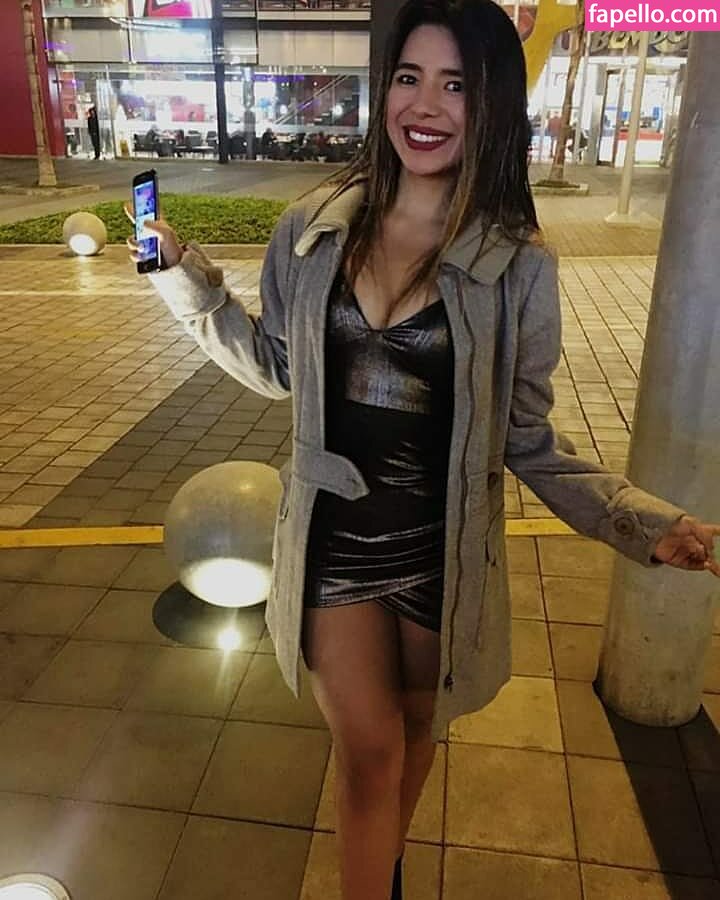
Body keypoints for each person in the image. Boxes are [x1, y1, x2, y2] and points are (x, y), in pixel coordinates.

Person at [127, 2, 720, 898]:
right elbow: (277, 366)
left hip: (443, 549)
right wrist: (182, 275)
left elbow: (528, 440)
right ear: (385, 91)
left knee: (414, 732)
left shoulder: (519, 266)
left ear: (492, 106)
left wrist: (642, 522)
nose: (426, 105)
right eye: (409, 78)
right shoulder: (313, 230)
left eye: (456, 84)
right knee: (367, 751)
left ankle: (386, 867)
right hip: (336, 540)